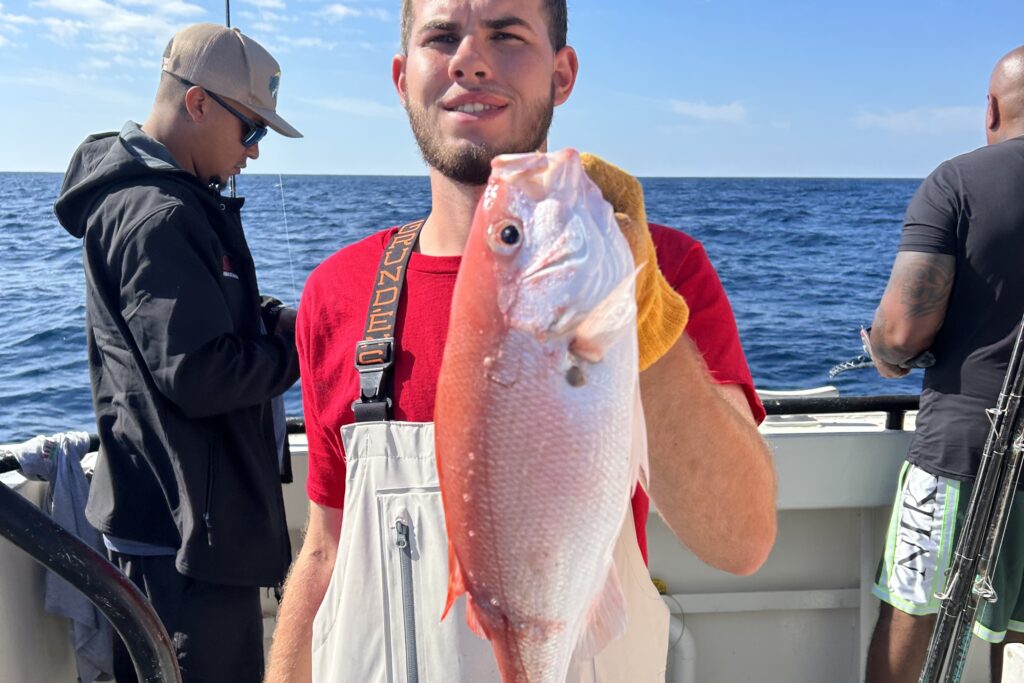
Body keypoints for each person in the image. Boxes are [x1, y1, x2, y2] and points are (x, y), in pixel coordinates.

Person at [266, 1, 777, 681]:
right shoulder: (337, 291)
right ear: (401, 76)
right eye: (442, 36)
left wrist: (642, 316)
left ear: (562, 74)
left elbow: (740, 538)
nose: (470, 59)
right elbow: (326, 548)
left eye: (506, 35)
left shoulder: (664, 271)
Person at [53, 23, 302, 683]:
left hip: (187, 536)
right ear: (198, 105)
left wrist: (268, 317)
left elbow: (190, 325)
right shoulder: (156, 215)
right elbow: (199, 372)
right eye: (252, 130)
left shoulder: (170, 203)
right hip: (182, 546)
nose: (254, 153)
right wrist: (301, 349)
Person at [864, 45, 1024, 683]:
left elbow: (902, 332)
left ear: (989, 110)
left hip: (964, 449)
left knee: (917, 617)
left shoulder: (956, 182)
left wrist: (882, 353)